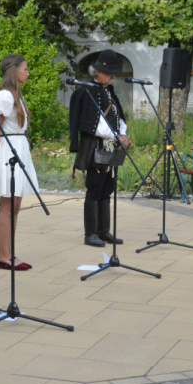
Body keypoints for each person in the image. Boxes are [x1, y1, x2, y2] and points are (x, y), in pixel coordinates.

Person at [0, 55, 39, 271]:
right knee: (7, 206)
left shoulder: (16, 96)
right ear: (14, 70)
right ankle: (3, 256)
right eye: (25, 68)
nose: (28, 72)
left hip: (19, 149)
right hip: (8, 151)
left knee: (15, 206)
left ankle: (10, 253)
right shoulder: (4, 96)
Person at [69, 50, 130, 248]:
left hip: (112, 146)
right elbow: (91, 124)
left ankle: (103, 231)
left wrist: (123, 134)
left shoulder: (109, 91)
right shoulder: (86, 91)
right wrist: (116, 135)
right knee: (94, 188)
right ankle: (90, 234)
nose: (112, 76)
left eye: (113, 73)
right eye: (108, 72)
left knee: (107, 188)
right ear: (97, 72)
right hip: (96, 146)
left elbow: (118, 117)